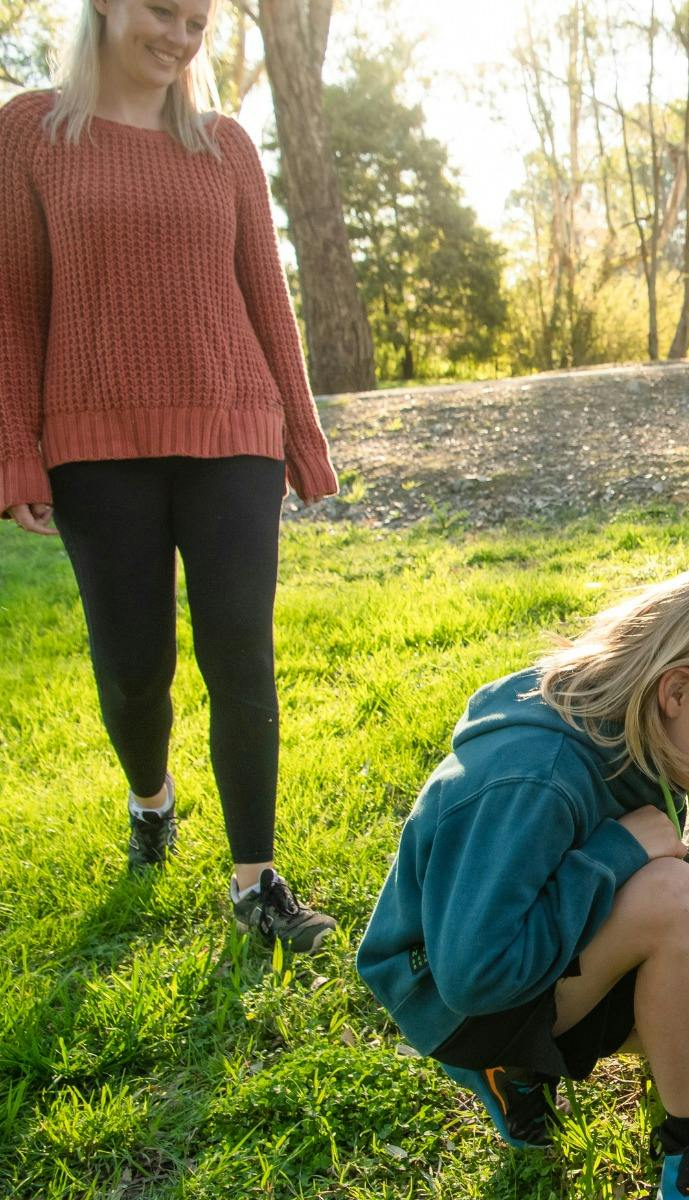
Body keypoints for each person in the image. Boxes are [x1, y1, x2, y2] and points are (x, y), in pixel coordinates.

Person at [356, 569, 689, 1200]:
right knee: (674, 897)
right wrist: (614, 855)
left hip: (538, 960)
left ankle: (526, 1068)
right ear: (676, 690)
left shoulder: (641, 735)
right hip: (459, 1003)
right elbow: (473, 975)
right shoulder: (533, 776)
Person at [0, 0, 340, 950]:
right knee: (131, 668)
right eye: (164, 12)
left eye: (197, 22)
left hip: (231, 428)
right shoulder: (28, 132)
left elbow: (265, 296)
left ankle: (256, 880)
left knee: (242, 656)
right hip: (93, 442)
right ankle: (152, 799)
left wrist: (303, 442)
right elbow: (13, 306)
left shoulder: (225, 145)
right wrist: (15, 451)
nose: (182, 39)